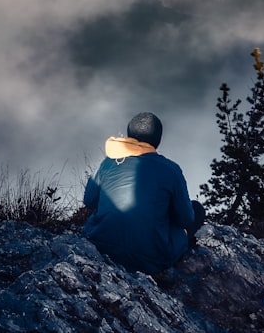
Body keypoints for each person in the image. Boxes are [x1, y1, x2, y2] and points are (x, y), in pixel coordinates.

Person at [82, 112, 205, 275]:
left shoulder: (109, 161)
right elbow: (186, 219)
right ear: (158, 141)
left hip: (100, 246)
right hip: (150, 259)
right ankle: (166, 269)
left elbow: (89, 200)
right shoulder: (171, 169)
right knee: (196, 210)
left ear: (129, 135)